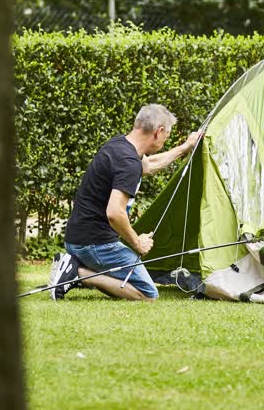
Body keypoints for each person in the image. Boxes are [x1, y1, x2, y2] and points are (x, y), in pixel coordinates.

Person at [48, 104, 200, 302]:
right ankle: (80, 273)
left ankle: (73, 264)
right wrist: (137, 242)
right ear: (158, 132)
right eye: (167, 135)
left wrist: (186, 148)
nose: (166, 139)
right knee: (148, 294)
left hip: (77, 240)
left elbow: (150, 166)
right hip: (95, 244)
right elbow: (114, 213)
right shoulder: (128, 162)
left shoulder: (120, 146)